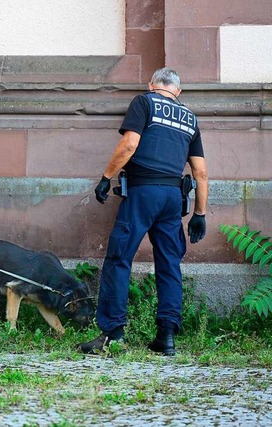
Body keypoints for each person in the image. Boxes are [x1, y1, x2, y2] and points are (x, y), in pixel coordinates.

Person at [78, 67, 208, 356]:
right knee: (169, 264)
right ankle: (166, 337)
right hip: (173, 197)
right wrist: (200, 214)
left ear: (152, 85)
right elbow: (200, 172)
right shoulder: (189, 118)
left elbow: (130, 144)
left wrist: (105, 177)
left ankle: (113, 334)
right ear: (178, 91)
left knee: (119, 258)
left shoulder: (144, 102)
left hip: (142, 192)